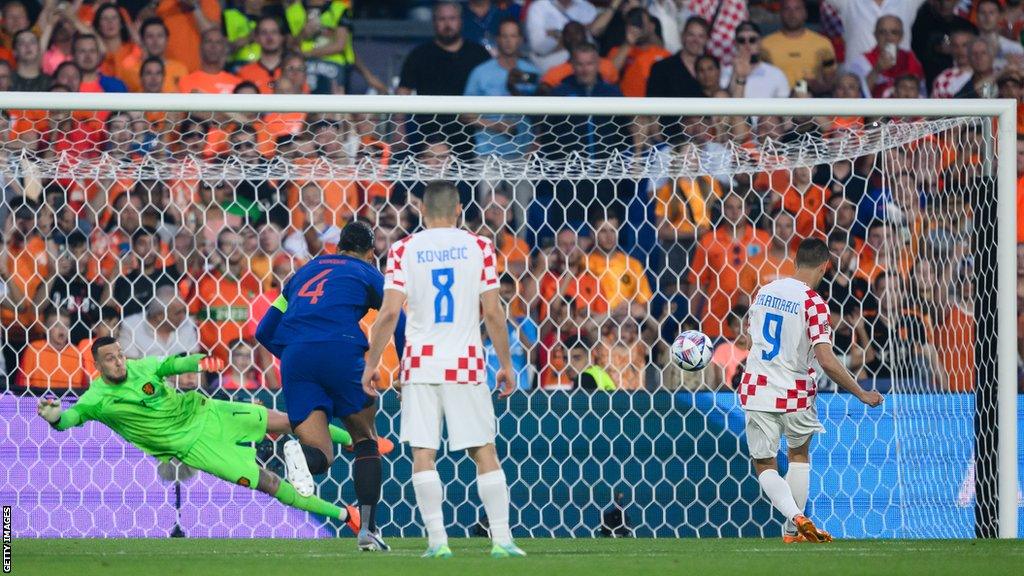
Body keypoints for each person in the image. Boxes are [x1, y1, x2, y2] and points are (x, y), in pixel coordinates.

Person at [36, 338, 363, 532]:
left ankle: (352, 440)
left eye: (120, 355)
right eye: (110, 359)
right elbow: (71, 418)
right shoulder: (97, 399)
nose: (120, 362)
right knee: (268, 483)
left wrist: (201, 361)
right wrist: (56, 418)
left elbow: (171, 366)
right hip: (194, 447)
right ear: (97, 365)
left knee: (288, 420)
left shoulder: (140, 367)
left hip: (207, 412)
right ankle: (345, 514)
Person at [362, 181, 526, 559]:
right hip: (466, 363)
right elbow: (495, 313)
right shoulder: (480, 246)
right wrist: (504, 364)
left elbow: (388, 314)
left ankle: (438, 543)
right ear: (458, 210)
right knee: (484, 450)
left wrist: (372, 365)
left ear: (421, 211)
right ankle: (502, 540)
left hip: (420, 364)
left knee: (423, 453)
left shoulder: (403, 249)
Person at [255, 221, 404, 552]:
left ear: (338, 247)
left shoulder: (301, 275)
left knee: (320, 456)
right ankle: (367, 531)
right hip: (340, 349)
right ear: (370, 253)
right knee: (366, 441)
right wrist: (405, 362)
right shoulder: (368, 273)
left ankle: (287, 451)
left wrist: (297, 354)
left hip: (296, 358)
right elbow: (395, 315)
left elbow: (264, 331)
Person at [737, 238, 884, 544]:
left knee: (765, 464)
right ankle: (793, 531)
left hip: (759, 387)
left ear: (795, 262)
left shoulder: (765, 292)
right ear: (824, 267)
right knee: (799, 455)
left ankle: (795, 518)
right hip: (797, 392)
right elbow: (827, 359)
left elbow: (749, 339)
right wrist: (862, 392)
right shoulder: (814, 303)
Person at [462, 19, 539, 159]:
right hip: (487, 152)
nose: (508, 41)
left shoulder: (532, 72)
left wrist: (534, 146)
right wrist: (497, 125)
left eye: (513, 36)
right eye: (504, 36)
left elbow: (541, 117)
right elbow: (465, 114)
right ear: (497, 39)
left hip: (523, 153)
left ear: (521, 39)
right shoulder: (481, 72)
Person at [760, 0, 837, 93]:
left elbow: (831, 82)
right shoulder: (764, 45)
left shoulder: (822, 44)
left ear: (805, 13)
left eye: (797, 9)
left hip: (811, 101)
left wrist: (818, 87)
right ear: (780, 13)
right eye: (787, 9)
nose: (792, 14)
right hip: (776, 102)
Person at [846, 15, 924, 99]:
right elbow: (855, 98)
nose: (888, 38)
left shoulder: (911, 60)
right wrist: (876, 71)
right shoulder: (861, 62)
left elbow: (923, 96)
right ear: (875, 35)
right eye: (882, 32)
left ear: (901, 37)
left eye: (894, 32)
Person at [525, 0, 598, 72]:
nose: (571, 36)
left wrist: (557, 35)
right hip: (550, 70)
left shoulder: (588, 8)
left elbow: (590, 45)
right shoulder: (538, 7)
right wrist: (575, 36)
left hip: (585, 68)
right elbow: (538, 48)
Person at [721, 21, 790, 98]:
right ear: (736, 44)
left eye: (752, 40)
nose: (747, 45)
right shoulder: (726, 72)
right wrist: (736, 74)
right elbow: (727, 102)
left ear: (760, 42)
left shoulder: (776, 74)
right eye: (741, 40)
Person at [177, 29, 242, 94]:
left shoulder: (237, 84)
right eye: (208, 41)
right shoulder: (184, 82)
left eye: (218, 42)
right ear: (201, 47)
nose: (213, 46)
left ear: (224, 48)